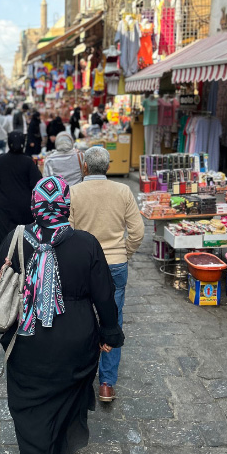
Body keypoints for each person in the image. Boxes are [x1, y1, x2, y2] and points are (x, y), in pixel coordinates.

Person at [0, 176, 124, 454]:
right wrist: (109, 333)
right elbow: (105, 295)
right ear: (66, 205)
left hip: (27, 345)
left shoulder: (14, 239)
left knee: (30, 410)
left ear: (34, 205)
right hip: (76, 345)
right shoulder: (86, 244)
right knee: (68, 404)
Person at [69, 147, 144, 403]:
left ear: (85, 167)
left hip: (83, 265)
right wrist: (125, 253)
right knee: (113, 320)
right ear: (108, 168)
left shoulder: (74, 192)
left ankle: (81, 378)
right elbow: (137, 231)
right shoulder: (122, 191)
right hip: (115, 263)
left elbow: (66, 231)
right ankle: (106, 384)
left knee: (81, 319)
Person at [0, 131, 41, 250]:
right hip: (24, 209)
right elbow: (37, 185)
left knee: (4, 242)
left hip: (2, 207)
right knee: (22, 241)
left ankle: (5, 261)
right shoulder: (28, 162)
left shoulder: (0, 161)